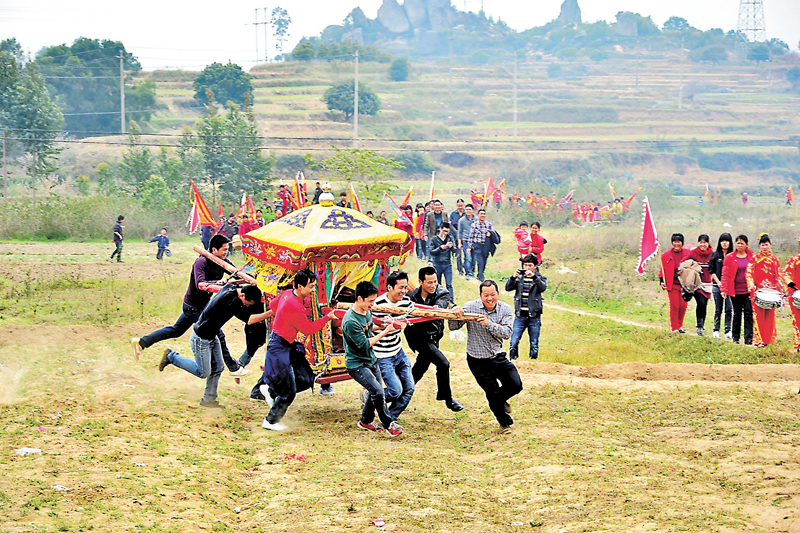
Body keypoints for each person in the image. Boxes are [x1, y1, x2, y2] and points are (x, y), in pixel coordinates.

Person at [132, 235, 249, 377]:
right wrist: (218, 283)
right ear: (214, 250)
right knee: (217, 332)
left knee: (176, 330)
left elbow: (237, 275)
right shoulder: (201, 262)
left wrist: (252, 276)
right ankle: (233, 367)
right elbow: (200, 283)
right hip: (192, 307)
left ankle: (142, 342)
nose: (226, 252)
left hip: (203, 306)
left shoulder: (222, 261)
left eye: (227, 249)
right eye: (224, 249)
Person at [159, 283, 269, 408]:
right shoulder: (233, 302)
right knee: (203, 372)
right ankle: (171, 357)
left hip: (212, 335)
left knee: (218, 367)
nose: (247, 306)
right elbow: (249, 319)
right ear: (242, 295)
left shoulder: (231, 287)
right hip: (201, 338)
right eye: (248, 303)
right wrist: (270, 313)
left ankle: (209, 399)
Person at [255, 269, 337, 430]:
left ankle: (271, 391)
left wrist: (284, 317)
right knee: (289, 392)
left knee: (306, 379)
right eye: (311, 287)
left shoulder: (287, 293)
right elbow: (308, 329)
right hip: (279, 347)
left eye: (314, 286)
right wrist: (327, 318)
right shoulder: (294, 305)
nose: (314, 290)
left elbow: (273, 305)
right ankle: (270, 421)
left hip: (287, 345)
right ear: (300, 287)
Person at [449, 280, 519, 433]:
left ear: (498, 294)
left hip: (497, 357)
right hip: (477, 361)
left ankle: (500, 400)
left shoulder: (505, 309)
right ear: (480, 295)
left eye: (493, 294)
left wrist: (489, 324)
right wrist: (455, 313)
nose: (489, 298)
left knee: (516, 384)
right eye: (486, 295)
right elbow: (453, 327)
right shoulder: (470, 307)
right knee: (492, 392)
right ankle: (504, 424)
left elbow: (507, 333)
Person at [344, 281, 403, 437]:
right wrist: (386, 331)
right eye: (370, 301)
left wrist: (383, 325)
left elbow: (368, 330)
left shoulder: (366, 311)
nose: (373, 304)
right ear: (360, 299)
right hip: (357, 364)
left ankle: (365, 421)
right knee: (378, 391)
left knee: (374, 392)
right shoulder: (350, 321)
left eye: (374, 300)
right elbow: (365, 344)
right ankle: (389, 424)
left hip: (371, 360)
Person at [405, 266, 464, 412]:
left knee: (420, 368)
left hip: (433, 336)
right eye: (429, 282)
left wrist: (452, 308)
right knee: (443, 363)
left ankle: (398, 393)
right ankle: (448, 399)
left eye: (435, 282)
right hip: (417, 337)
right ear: (420, 282)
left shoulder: (442, 293)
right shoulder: (411, 295)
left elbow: (439, 308)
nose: (433, 285)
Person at [372, 271, 415, 423]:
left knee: (409, 388)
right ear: (390, 287)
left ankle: (390, 419)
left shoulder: (407, 303)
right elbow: (367, 327)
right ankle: (370, 398)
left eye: (405, 287)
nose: (404, 291)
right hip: (382, 355)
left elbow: (418, 313)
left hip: (398, 351)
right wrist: (383, 325)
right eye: (400, 287)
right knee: (395, 391)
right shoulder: (377, 304)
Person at [505, 254, 547, 360]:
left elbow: (542, 288)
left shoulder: (540, 278)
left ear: (535, 266)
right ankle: (513, 360)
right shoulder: (519, 278)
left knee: (534, 343)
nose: (527, 267)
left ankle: (533, 362)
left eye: (530, 265)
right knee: (513, 341)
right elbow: (508, 288)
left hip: (534, 316)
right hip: (520, 315)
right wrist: (513, 277)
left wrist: (534, 277)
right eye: (525, 265)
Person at [746, 233, 782, 347]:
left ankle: (769, 339)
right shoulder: (755, 259)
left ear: (770, 245)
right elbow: (749, 272)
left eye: (766, 245)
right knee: (758, 316)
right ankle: (759, 340)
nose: (764, 247)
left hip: (771, 292)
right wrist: (751, 284)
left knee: (770, 316)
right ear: (759, 246)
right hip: (758, 292)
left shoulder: (775, 260)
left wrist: (779, 285)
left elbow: (779, 275)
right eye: (762, 245)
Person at [720, 234, 754, 345]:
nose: (740, 245)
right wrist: (724, 289)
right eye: (738, 243)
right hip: (735, 290)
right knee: (737, 313)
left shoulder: (752, 257)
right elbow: (725, 274)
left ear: (746, 245)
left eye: (742, 243)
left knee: (748, 313)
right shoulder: (729, 257)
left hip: (748, 290)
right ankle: (736, 337)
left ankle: (749, 338)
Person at [658, 233, 690, 333]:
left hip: (685, 285)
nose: (676, 244)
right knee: (675, 306)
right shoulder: (666, 255)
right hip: (672, 284)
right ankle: (674, 327)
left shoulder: (688, 254)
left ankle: (679, 325)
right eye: (675, 242)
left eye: (679, 242)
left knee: (683, 306)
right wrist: (661, 281)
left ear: (682, 243)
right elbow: (662, 270)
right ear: (672, 243)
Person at [709, 233, 734, 339]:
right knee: (718, 309)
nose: (724, 243)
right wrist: (719, 283)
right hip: (717, 285)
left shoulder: (733, 256)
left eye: (727, 241)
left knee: (729, 309)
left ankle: (728, 330)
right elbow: (711, 270)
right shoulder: (715, 255)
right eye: (722, 241)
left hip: (729, 287)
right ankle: (716, 329)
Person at [687, 235, 713, 336]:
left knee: (704, 304)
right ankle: (699, 326)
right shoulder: (694, 253)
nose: (703, 245)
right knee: (700, 302)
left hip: (708, 282)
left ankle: (702, 326)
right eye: (701, 242)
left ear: (708, 243)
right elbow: (684, 262)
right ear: (698, 243)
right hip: (697, 283)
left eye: (705, 242)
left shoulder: (712, 254)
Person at [429, 221, 456, 301]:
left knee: (449, 284)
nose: (445, 233)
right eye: (444, 231)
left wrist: (451, 247)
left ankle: (450, 300)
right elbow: (431, 252)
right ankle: (438, 299)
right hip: (437, 264)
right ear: (440, 229)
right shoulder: (434, 239)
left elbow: (455, 250)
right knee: (437, 284)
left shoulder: (450, 238)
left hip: (447, 264)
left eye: (447, 231)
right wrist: (440, 248)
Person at [782, 237, 800, 352]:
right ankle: (798, 344)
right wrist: (790, 282)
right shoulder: (794, 259)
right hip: (796, 294)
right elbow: (786, 273)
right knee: (797, 319)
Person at [468, 208, 494, 282]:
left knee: (484, 261)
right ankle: (481, 278)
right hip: (477, 245)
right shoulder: (474, 225)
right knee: (480, 261)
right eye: (481, 214)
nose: (482, 215)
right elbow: (471, 236)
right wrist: (469, 247)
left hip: (486, 246)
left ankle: (480, 274)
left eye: (484, 214)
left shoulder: (489, 224)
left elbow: (493, 233)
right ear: (478, 215)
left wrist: (490, 234)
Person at [458, 204, 476, 278]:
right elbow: (459, 232)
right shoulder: (461, 220)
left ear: (472, 210)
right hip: (466, 241)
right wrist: (459, 243)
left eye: (469, 209)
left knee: (474, 258)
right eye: (467, 209)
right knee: (467, 257)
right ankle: (468, 273)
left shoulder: (476, 220)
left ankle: (472, 271)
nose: (468, 211)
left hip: (475, 242)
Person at [450, 199, 466, 275]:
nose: (460, 207)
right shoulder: (453, 214)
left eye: (461, 205)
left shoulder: (467, 214)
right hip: (456, 237)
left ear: (464, 205)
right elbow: (451, 224)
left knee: (467, 255)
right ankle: (460, 270)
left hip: (465, 237)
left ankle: (467, 269)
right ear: (456, 205)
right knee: (458, 255)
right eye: (459, 206)